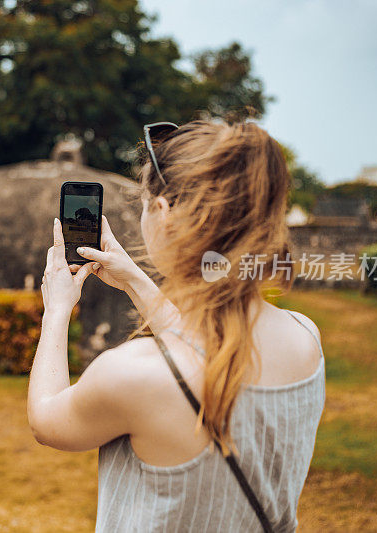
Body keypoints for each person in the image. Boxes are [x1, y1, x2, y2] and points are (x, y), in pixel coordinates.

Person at [27, 119, 326, 532]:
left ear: (164, 212)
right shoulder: (304, 336)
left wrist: (57, 310)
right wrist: (134, 278)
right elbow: (202, 346)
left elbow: (46, 421)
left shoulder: (136, 373)